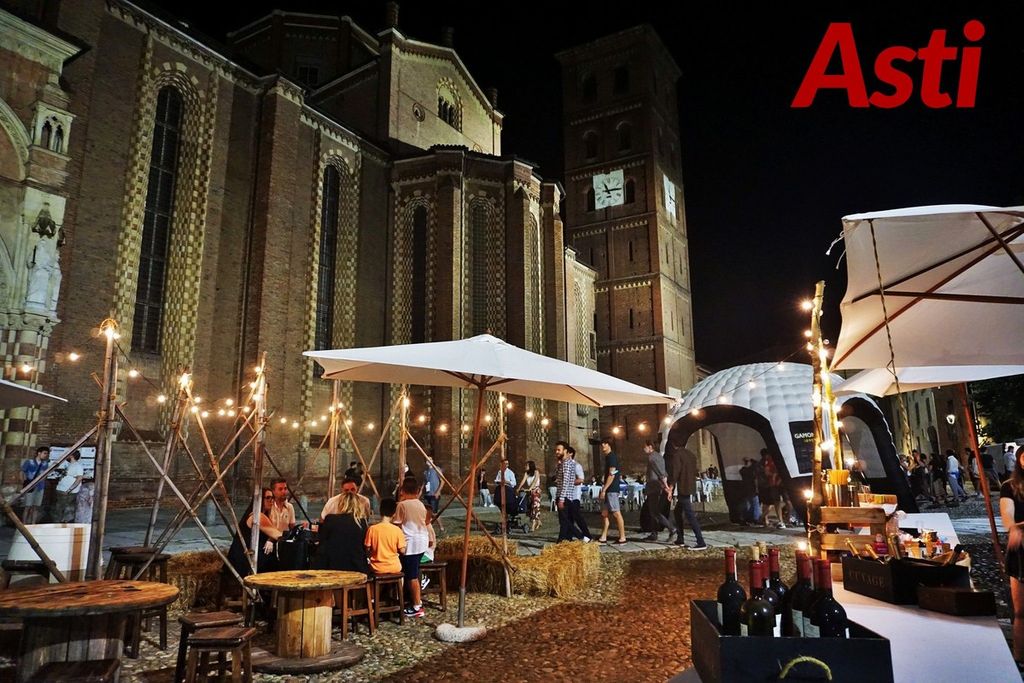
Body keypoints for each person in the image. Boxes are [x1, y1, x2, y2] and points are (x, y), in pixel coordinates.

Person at [998, 445, 1024, 661]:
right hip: (1022, 551)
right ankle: (1020, 655)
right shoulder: (1010, 486)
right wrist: (1013, 528)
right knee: (1021, 611)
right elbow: (1007, 514)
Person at [393, 478, 430, 618]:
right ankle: (412, 598)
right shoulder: (420, 504)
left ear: (402, 491)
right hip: (422, 540)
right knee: (412, 571)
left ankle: (417, 605)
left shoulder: (402, 505)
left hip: (411, 543)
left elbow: (397, 523)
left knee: (411, 576)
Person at [227, 487, 282, 578]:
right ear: (260, 500)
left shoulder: (265, 515)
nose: (271, 501)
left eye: (272, 498)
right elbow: (277, 535)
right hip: (245, 560)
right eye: (268, 498)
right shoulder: (257, 516)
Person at [665, 442, 707, 549]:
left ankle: (701, 541)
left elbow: (675, 472)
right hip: (690, 486)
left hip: (683, 487)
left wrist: (670, 488)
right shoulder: (691, 455)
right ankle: (680, 538)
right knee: (677, 512)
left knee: (690, 515)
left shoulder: (677, 455)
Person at [316, 490, 369, 573]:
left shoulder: (330, 519)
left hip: (333, 566)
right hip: (357, 567)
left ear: (341, 504)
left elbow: (322, 541)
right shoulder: (362, 522)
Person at [643, 441, 674, 542]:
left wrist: (666, 487)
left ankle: (671, 528)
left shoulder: (652, 458)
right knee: (653, 511)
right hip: (656, 486)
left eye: (645, 447)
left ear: (650, 447)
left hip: (654, 486)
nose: (644, 449)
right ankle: (654, 533)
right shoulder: (659, 456)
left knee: (654, 511)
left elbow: (661, 473)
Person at [365, 497, 405, 576]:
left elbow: (367, 548)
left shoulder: (372, 529)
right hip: (394, 567)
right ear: (394, 513)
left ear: (380, 511)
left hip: (376, 567)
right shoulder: (397, 530)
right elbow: (402, 550)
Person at [597, 438, 627, 544]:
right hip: (608, 489)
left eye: (605, 443)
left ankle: (622, 537)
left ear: (609, 445)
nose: (603, 445)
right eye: (602, 444)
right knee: (604, 513)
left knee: (616, 513)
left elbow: (612, 474)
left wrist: (604, 489)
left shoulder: (612, 457)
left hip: (611, 489)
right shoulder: (608, 457)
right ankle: (603, 536)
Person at [54, 450, 84, 523]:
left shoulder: (78, 466)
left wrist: (70, 489)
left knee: (67, 510)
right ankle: (58, 524)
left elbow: (79, 478)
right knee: (59, 509)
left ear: (71, 456)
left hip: (68, 492)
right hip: (61, 489)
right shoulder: (68, 464)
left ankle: (65, 524)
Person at [21, 447, 49, 524]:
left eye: (47, 454)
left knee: (36, 507)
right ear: (39, 453)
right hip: (30, 487)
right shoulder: (29, 462)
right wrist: (24, 482)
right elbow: (22, 472)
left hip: (40, 487)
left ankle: (33, 524)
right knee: (27, 506)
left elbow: (45, 474)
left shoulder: (45, 464)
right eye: (44, 453)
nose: (45, 455)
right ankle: (23, 525)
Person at [758, 449, 786, 528]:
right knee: (772, 503)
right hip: (769, 485)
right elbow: (766, 472)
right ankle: (766, 519)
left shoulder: (767, 461)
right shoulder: (766, 461)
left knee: (772, 503)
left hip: (770, 485)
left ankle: (765, 518)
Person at [516, 460, 543, 532]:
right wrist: (519, 488)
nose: (525, 466)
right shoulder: (526, 473)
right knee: (530, 507)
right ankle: (538, 521)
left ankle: (533, 524)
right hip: (529, 492)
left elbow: (535, 481)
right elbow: (523, 481)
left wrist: (530, 488)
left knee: (535, 506)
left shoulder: (536, 472)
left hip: (536, 491)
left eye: (527, 465)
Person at [738, 458, 760, 525]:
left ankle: (745, 518)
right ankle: (755, 518)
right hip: (752, 489)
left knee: (747, 504)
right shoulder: (752, 471)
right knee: (755, 504)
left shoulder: (743, 470)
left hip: (745, 488)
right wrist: (757, 489)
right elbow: (755, 480)